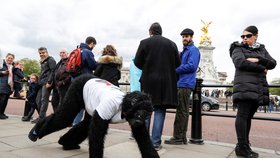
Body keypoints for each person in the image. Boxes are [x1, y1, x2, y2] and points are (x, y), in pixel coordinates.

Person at [28, 74, 159, 158]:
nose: (135, 122)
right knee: (64, 119)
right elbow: (96, 137)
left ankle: (67, 141)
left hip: (96, 93)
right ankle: (38, 129)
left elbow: (145, 141)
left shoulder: (139, 108)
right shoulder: (111, 104)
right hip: (81, 87)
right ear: (126, 110)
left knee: (88, 124)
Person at [229, 25, 276, 158]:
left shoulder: (261, 49)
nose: (244, 39)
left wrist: (258, 60)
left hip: (258, 87)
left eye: (248, 36)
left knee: (248, 117)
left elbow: (273, 63)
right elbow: (240, 63)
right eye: (243, 36)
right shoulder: (237, 48)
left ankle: (243, 146)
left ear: (256, 36)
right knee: (242, 115)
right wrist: (262, 68)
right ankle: (242, 146)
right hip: (244, 86)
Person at [134, 22, 181, 150]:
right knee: (160, 111)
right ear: (161, 32)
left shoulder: (144, 43)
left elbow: (137, 62)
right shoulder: (172, 44)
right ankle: (155, 143)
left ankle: (144, 141)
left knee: (147, 110)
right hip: (165, 82)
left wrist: (148, 67)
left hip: (148, 80)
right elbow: (178, 63)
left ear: (150, 32)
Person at [164, 28, 200, 145]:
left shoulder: (193, 50)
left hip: (185, 83)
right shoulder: (185, 51)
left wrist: (175, 70)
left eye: (187, 36)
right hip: (183, 83)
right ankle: (181, 137)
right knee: (182, 111)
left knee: (181, 111)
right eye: (183, 36)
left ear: (191, 37)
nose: (184, 38)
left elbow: (191, 66)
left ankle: (178, 137)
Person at [73, 36, 98, 125]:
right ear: (91, 43)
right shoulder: (87, 52)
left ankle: (74, 122)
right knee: (84, 102)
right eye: (93, 46)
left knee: (76, 102)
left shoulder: (78, 50)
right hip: (84, 79)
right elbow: (93, 65)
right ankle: (76, 124)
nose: (93, 48)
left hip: (74, 79)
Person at [33, 47, 56, 123]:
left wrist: (49, 82)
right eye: (40, 53)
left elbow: (53, 71)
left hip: (46, 83)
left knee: (44, 100)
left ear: (47, 52)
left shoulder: (51, 60)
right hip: (41, 83)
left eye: (43, 52)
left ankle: (41, 119)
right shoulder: (43, 61)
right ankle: (42, 116)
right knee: (38, 100)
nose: (41, 54)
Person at [0, 53, 15, 119]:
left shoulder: (12, 66)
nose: (10, 59)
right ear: (6, 57)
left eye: (11, 58)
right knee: (2, 100)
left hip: (9, 86)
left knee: (5, 100)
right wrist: (2, 72)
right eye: (9, 57)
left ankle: (2, 113)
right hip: (2, 85)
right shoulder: (1, 64)